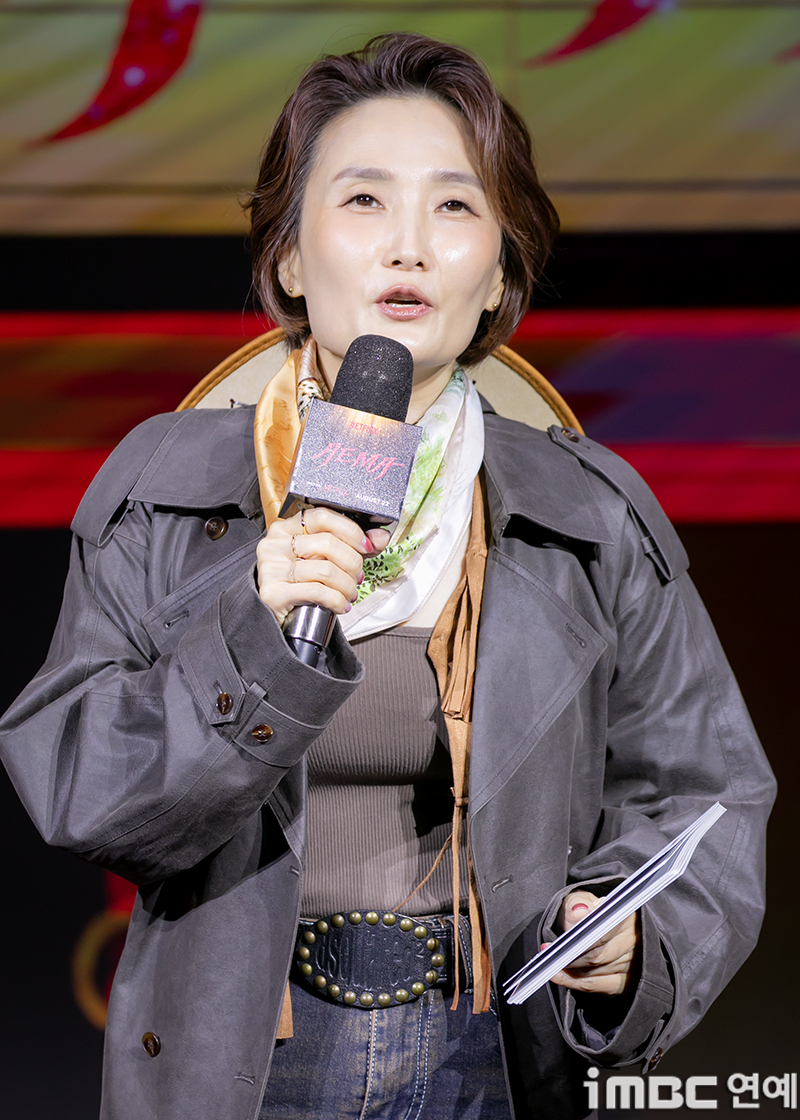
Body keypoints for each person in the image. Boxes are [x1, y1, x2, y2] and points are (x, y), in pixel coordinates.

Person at [0, 32, 775, 1120]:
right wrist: (252, 632)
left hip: (490, 1058)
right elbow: (80, 785)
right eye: (363, 200)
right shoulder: (162, 489)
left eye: (454, 206)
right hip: (246, 1063)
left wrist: (636, 937)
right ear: (287, 257)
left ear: (498, 271)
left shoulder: (590, 513)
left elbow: (705, 788)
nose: (408, 245)